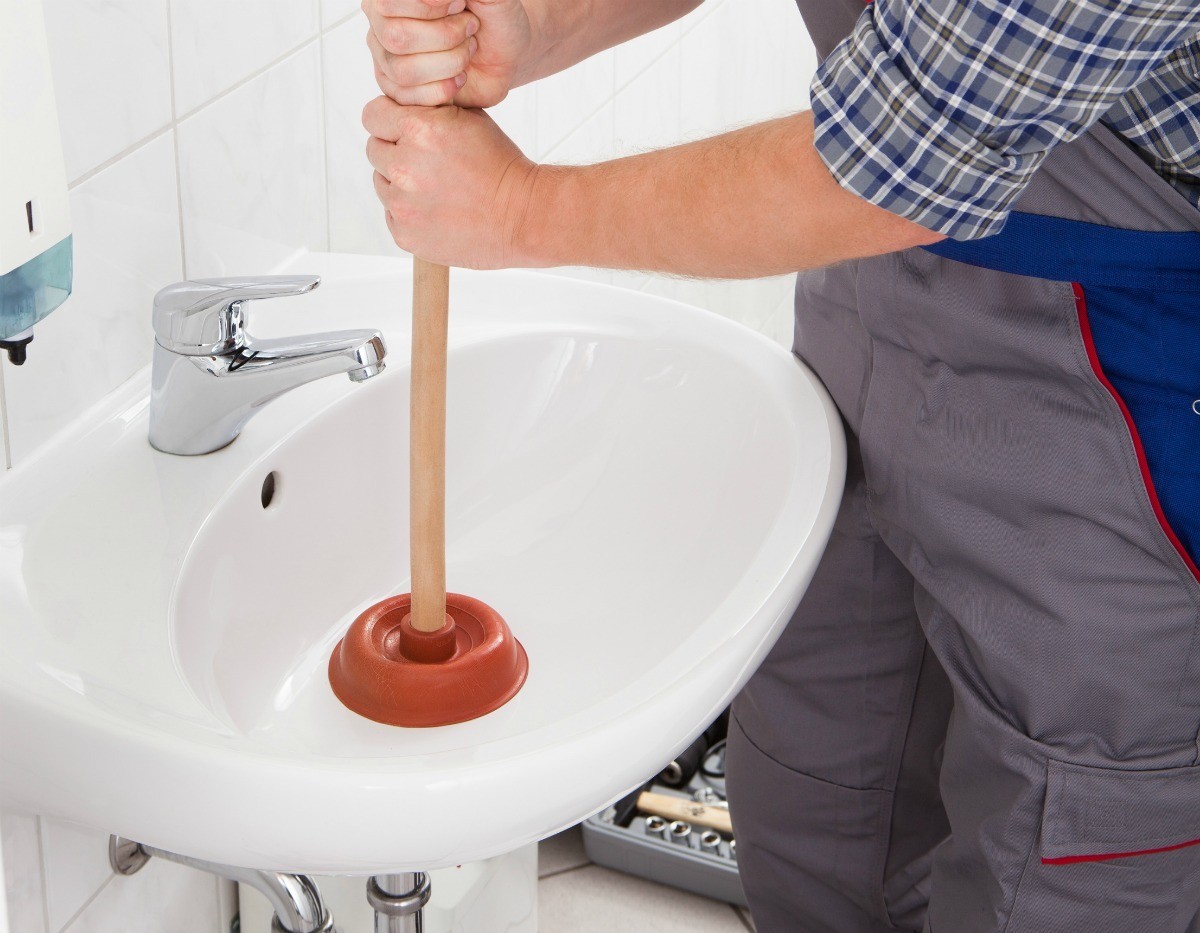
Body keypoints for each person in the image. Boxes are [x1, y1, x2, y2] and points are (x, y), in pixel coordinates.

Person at [360, 0, 1200, 928]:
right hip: (872, 301)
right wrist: (542, 24)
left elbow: (901, 162)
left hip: (1115, 386)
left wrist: (516, 209)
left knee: (1064, 849)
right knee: (823, 792)